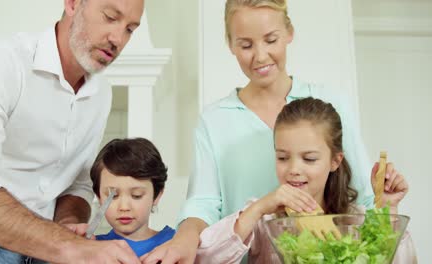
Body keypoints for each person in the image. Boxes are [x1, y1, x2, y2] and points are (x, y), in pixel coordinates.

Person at [141, 1, 378, 263]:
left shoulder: (329, 106)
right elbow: (202, 204)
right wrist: (183, 239)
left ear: (289, 33)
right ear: (230, 44)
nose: (260, 56)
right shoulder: (215, 120)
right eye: (245, 45)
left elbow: (364, 197)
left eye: (271, 40)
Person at [0, 0, 144, 262]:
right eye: (109, 17)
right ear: (72, 4)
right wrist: (67, 246)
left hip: (45, 254)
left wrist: (69, 223)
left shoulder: (101, 94)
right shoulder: (0, 61)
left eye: (130, 29)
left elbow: (78, 184)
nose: (118, 39)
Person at [195, 97, 417, 263]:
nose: (293, 169)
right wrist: (258, 208)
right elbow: (204, 258)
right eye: (282, 157)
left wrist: (388, 211)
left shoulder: (355, 220)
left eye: (309, 159)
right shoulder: (264, 221)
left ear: (335, 161)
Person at [91, 138, 175, 257]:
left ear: (156, 196)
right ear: (99, 197)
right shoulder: (91, 249)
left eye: (136, 195)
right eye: (113, 196)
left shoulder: (175, 244)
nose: (124, 207)